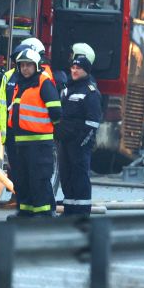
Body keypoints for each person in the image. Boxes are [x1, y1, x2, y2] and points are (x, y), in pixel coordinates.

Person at [2, 47, 62, 217]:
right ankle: (25, 210)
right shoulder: (20, 84)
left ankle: (43, 213)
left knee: (39, 178)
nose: (25, 69)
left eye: (29, 65)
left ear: (36, 66)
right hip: (21, 142)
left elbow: (56, 111)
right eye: (22, 66)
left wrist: (51, 131)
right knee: (22, 178)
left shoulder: (44, 82)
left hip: (39, 142)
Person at [57, 46, 101, 216]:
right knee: (66, 175)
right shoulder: (67, 89)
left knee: (80, 176)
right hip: (65, 142)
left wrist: (82, 142)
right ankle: (70, 209)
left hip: (80, 143)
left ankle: (82, 212)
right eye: (73, 67)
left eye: (78, 68)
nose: (74, 71)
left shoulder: (90, 92)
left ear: (86, 70)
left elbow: (93, 121)